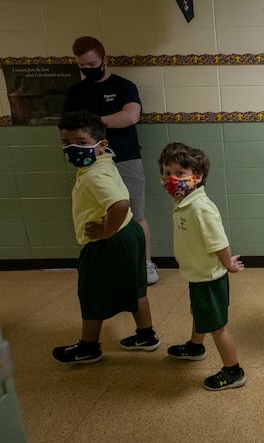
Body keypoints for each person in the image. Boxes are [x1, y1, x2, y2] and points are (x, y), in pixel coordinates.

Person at [52, 110, 159, 364]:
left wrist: (104, 232)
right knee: (136, 288)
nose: (72, 149)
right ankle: (146, 335)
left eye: (81, 142)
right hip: (129, 232)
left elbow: (120, 203)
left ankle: (89, 347)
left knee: (91, 293)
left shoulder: (94, 175)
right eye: (66, 143)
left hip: (110, 242)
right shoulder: (103, 161)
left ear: (101, 145)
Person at [63, 36, 159, 285]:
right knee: (98, 214)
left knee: (135, 213)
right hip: (90, 162)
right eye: (81, 66)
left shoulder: (124, 86)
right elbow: (69, 127)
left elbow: (129, 117)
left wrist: (91, 122)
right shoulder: (76, 92)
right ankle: (112, 265)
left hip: (126, 157)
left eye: (91, 64)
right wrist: (102, 122)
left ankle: (146, 263)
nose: (87, 70)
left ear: (104, 60)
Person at [158, 142, 247, 391]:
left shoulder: (200, 208)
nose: (170, 179)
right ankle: (195, 346)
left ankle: (233, 370)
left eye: (179, 174)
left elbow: (219, 242)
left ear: (196, 178)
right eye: (166, 173)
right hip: (198, 275)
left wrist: (228, 263)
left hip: (208, 278)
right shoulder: (185, 202)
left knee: (217, 326)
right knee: (200, 313)